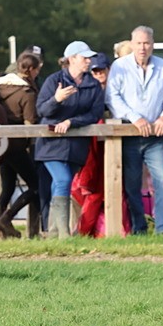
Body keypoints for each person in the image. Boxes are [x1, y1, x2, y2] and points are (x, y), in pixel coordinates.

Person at [106, 26, 163, 235]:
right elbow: (112, 97)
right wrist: (134, 117)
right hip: (129, 135)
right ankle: (138, 228)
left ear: (152, 44)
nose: (142, 47)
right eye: (139, 43)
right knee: (131, 186)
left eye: (146, 43)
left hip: (156, 137)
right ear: (131, 44)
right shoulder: (119, 66)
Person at [33, 41, 106, 238]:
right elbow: (41, 110)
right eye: (85, 57)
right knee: (63, 180)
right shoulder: (53, 81)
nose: (89, 61)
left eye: (89, 57)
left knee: (59, 184)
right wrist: (56, 99)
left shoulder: (93, 85)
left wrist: (71, 121)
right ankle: (65, 233)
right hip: (51, 144)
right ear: (72, 59)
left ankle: (54, 234)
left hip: (76, 147)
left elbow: (95, 113)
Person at [70, 53, 131, 237]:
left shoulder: (119, 90)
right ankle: (83, 231)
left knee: (117, 191)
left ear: (108, 70)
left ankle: (120, 230)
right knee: (90, 193)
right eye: (94, 71)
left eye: (101, 70)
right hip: (92, 151)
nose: (98, 74)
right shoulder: (88, 90)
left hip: (117, 149)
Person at [0, 51, 43, 233]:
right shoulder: (27, 92)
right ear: (30, 70)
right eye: (37, 70)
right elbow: (30, 124)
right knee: (36, 186)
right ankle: (7, 219)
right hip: (17, 147)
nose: (37, 74)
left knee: (7, 188)